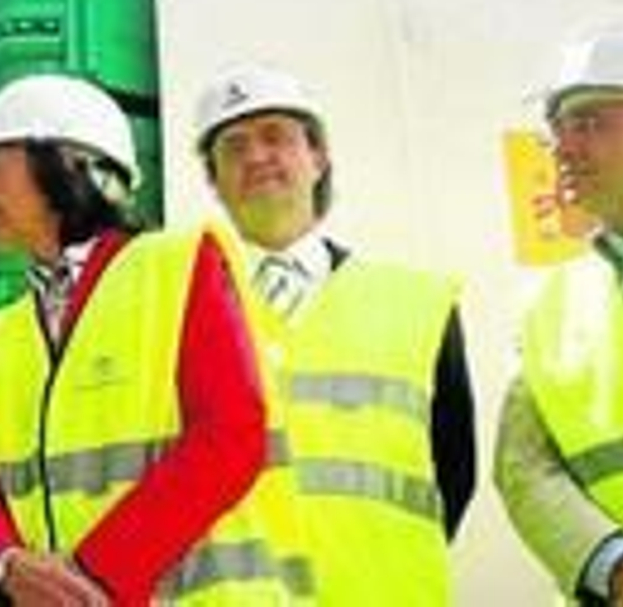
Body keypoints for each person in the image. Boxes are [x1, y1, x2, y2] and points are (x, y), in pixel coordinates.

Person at [0, 73, 305, 606]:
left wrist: (94, 576)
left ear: (61, 165)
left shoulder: (176, 264)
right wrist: (4, 563)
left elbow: (232, 433)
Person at [195, 65, 476, 604]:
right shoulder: (181, 310)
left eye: (276, 136)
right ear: (214, 180)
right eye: (233, 146)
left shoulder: (419, 303)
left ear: (318, 157)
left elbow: (454, 473)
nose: (256, 156)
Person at [496, 30, 623, 605]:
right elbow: (523, 466)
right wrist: (614, 563)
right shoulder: (548, 306)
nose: (563, 149)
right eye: (559, 131)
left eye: (590, 123)